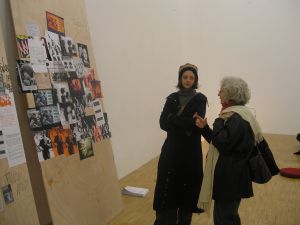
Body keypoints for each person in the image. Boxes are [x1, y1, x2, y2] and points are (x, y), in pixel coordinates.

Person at [195, 76, 279, 225]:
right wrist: (205, 129)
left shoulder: (236, 118)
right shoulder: (238, 115)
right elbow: (220, 142)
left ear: (230, 93)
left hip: (231, 178)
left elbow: (223, 143)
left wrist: (218, 121)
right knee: (229, 216)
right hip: (231, 177)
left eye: (221, 91)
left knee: (224, 218)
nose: (218, 94)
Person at [153, 63, 207, 225]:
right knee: (167, 191)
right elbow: (163, 123)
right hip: (171, 151)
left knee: (187, 194)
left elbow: (195, 124)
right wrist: (185, 122)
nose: (188, 80)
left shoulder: (200, 99)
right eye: (185, 77)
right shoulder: (172, 98)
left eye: (191, 77)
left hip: (190, 153)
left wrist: (173, 119)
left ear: (195, 79)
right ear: (180, 78)